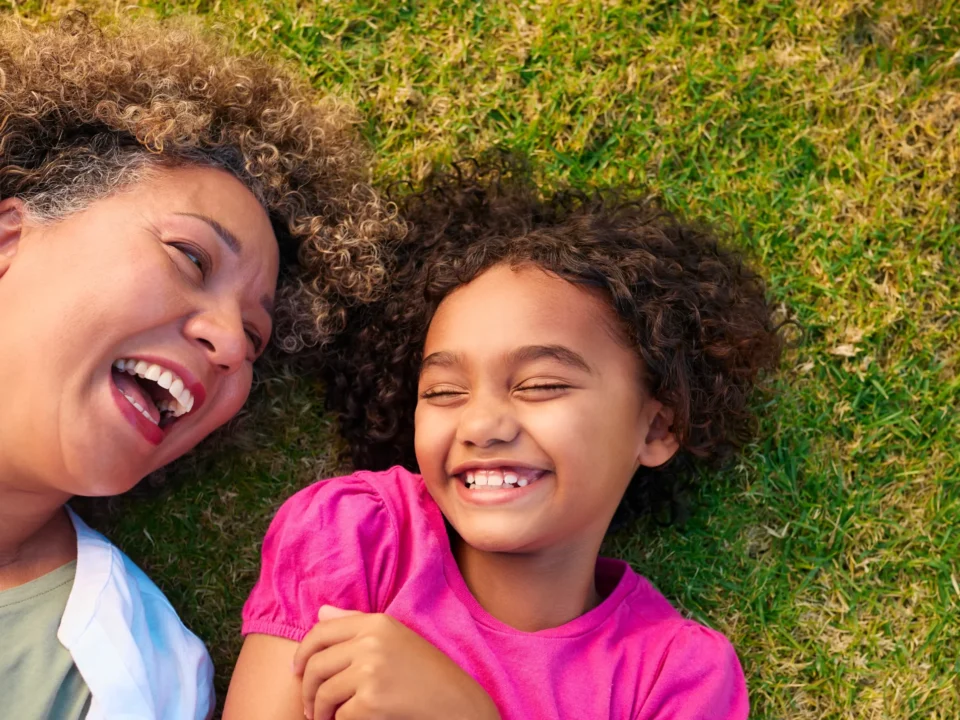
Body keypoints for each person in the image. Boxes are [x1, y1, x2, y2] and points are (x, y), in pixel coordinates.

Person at [225, 162, 783, 719]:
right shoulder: (359, 536)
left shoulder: (675, 677)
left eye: (540, 385)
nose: (480, 425)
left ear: (657, 428)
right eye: (444, 391)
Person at [0, 12, 401, 720]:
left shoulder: (137, 673)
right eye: (191, 257)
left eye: (255, 333)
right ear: (8, 240)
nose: (231, 345)